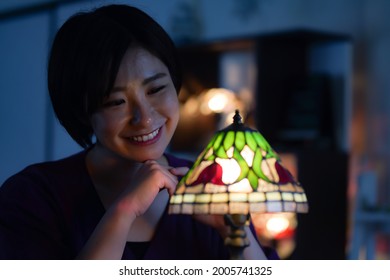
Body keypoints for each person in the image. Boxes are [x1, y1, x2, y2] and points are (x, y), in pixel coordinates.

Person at [0, 4, 278, 260]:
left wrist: (231, 233)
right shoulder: (32, 196)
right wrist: (123, 212)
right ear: (82, 111)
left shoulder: (211, 186)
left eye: (156, 89)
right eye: (115, 102)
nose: (144, 118)